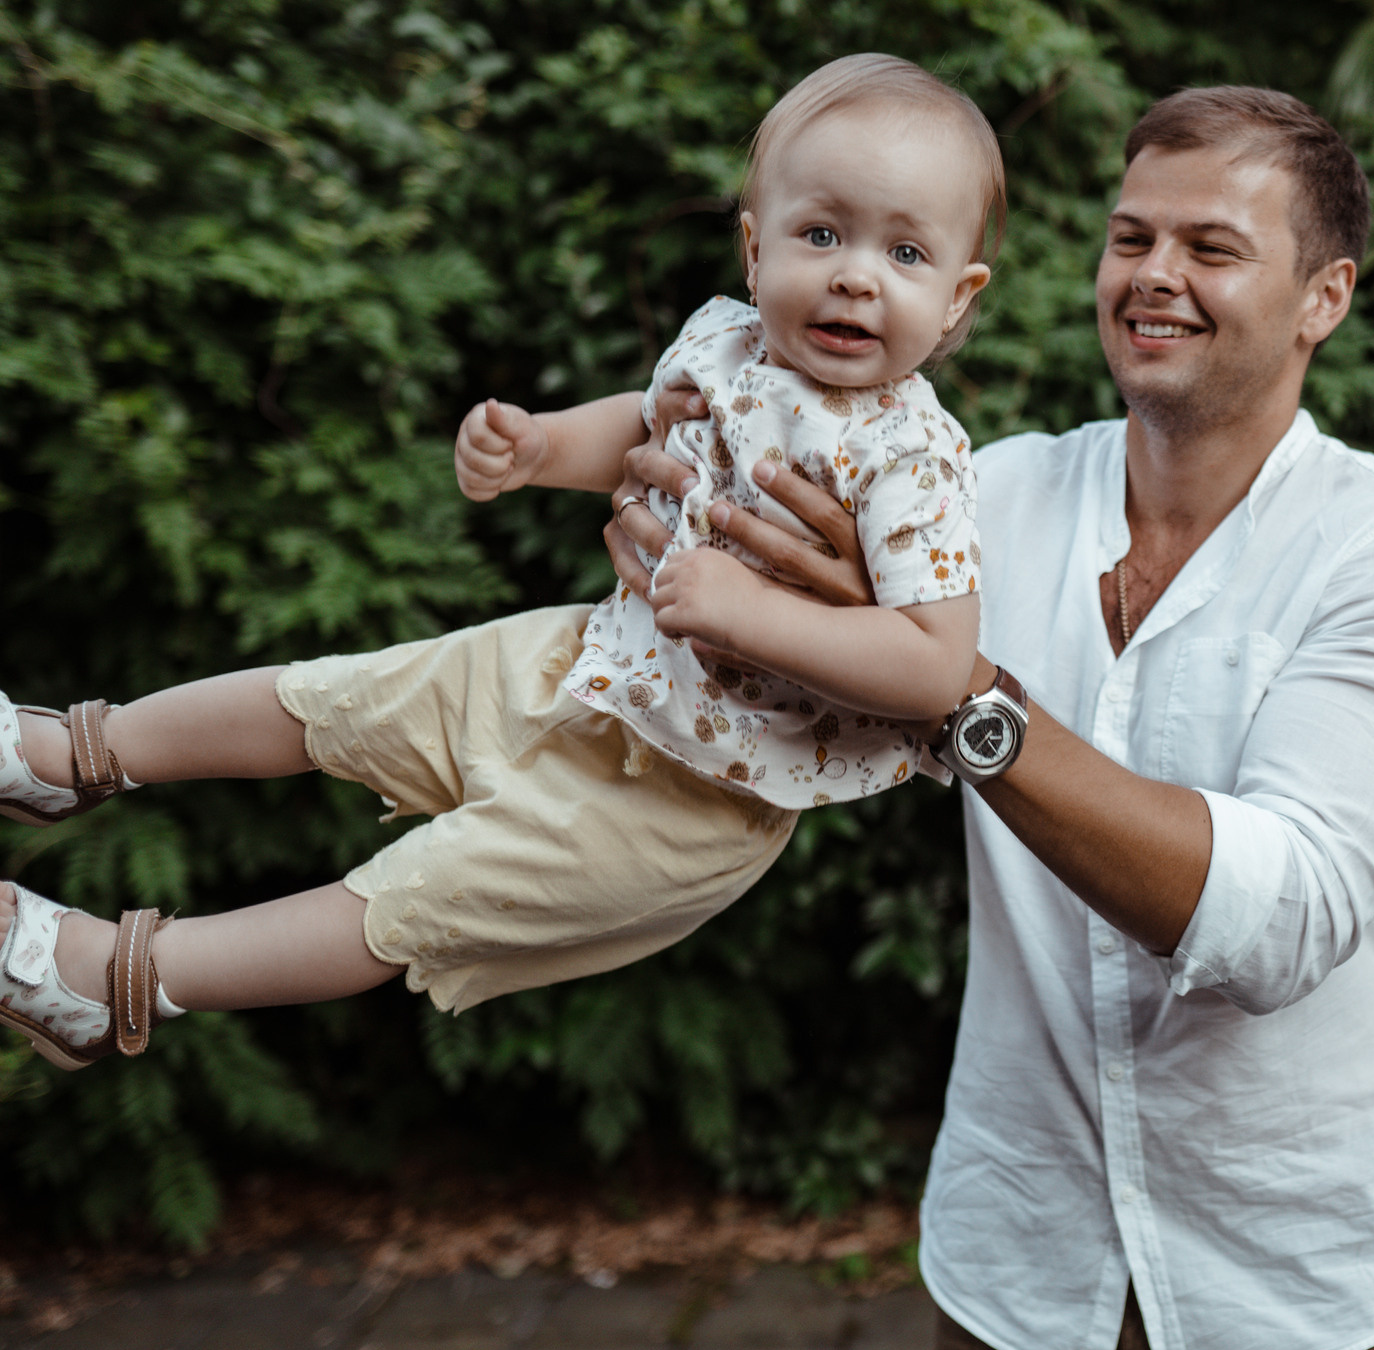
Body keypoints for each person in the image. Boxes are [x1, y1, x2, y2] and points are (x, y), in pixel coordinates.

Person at [609, 87, 1374, 1350]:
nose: (1153, 276)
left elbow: (1280, 921)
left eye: (1211, 247)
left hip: (1310, 1307)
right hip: (1021, 1285)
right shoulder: (980, 492)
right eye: (1130, 236)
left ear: (1325, 297)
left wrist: (961, 700)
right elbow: (798, 680)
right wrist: (684, 540)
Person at [0, 53, 1000, 1068]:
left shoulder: (911, 458)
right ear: (754, 249)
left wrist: (747, 612)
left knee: (413, 897)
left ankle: (108, 976)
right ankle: (69, 753)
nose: (854, 273)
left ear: (959, 299)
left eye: (905, 253)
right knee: (339, 699)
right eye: (820, 233)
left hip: (700, 799)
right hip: (593, 659)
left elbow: (933, 664)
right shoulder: (731, 346)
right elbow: (646, 430)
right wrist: (541, 449)